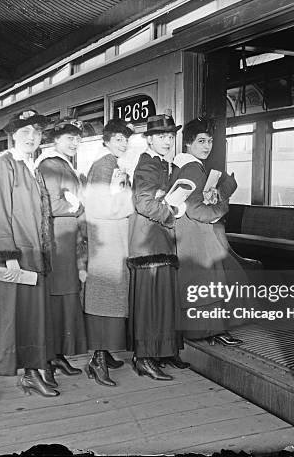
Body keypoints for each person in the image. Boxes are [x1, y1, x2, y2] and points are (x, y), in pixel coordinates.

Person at [0, 109, 59, 401]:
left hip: (32, 253)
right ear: (13, 135)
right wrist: (9, 256)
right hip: (8, 255)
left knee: (31, 316)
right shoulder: (5, 165)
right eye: (25, 132)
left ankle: (32, 375)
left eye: (36, 132)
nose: (31, 137)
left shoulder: (32, 167)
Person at [126, 113, 190, 381]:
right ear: (149, 139)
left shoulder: (163, 164)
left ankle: (164, 351)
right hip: (149, 241)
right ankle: (144, 357)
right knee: (150, 301)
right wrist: (171, 212)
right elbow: (144, 203)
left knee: (162, 299)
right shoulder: (148, 165)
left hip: (160, 239)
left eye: (170, 136)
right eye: (161, 136)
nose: (167, 141)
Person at [171, 117, 244, 346]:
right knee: (209, 280)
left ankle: (209, 331)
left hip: (189, 234)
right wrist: (224, 199)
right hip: (197, 233)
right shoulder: (192, 168)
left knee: (203, 283)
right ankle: (212, 332)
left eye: (210, 141)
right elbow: (196, 210)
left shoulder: (184, 165)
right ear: (188, 144)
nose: (207, 146)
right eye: (201, 141)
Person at [82, 119, 134, 387]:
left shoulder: (111, 163)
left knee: (111, 294)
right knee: (106, 295)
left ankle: (104, 353)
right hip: (107, 239)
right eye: (118, 139)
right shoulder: (105, 165)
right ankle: (97, 360)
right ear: (106, 141)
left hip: (110, 239)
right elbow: (103, 206)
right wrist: (129, 203)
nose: (123, 144)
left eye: (125, 139)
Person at [36, 118, 88, 378]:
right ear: (56, 140)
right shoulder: (50, 165)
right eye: (70, 137)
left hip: (68, 240)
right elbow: (53, 206)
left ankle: (58, 356)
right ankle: (49, 357)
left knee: (65, 296)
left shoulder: (63, 165)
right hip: (58, 241)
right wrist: (78, 206)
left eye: (78, 138)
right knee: (57, 297)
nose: (75, 142)